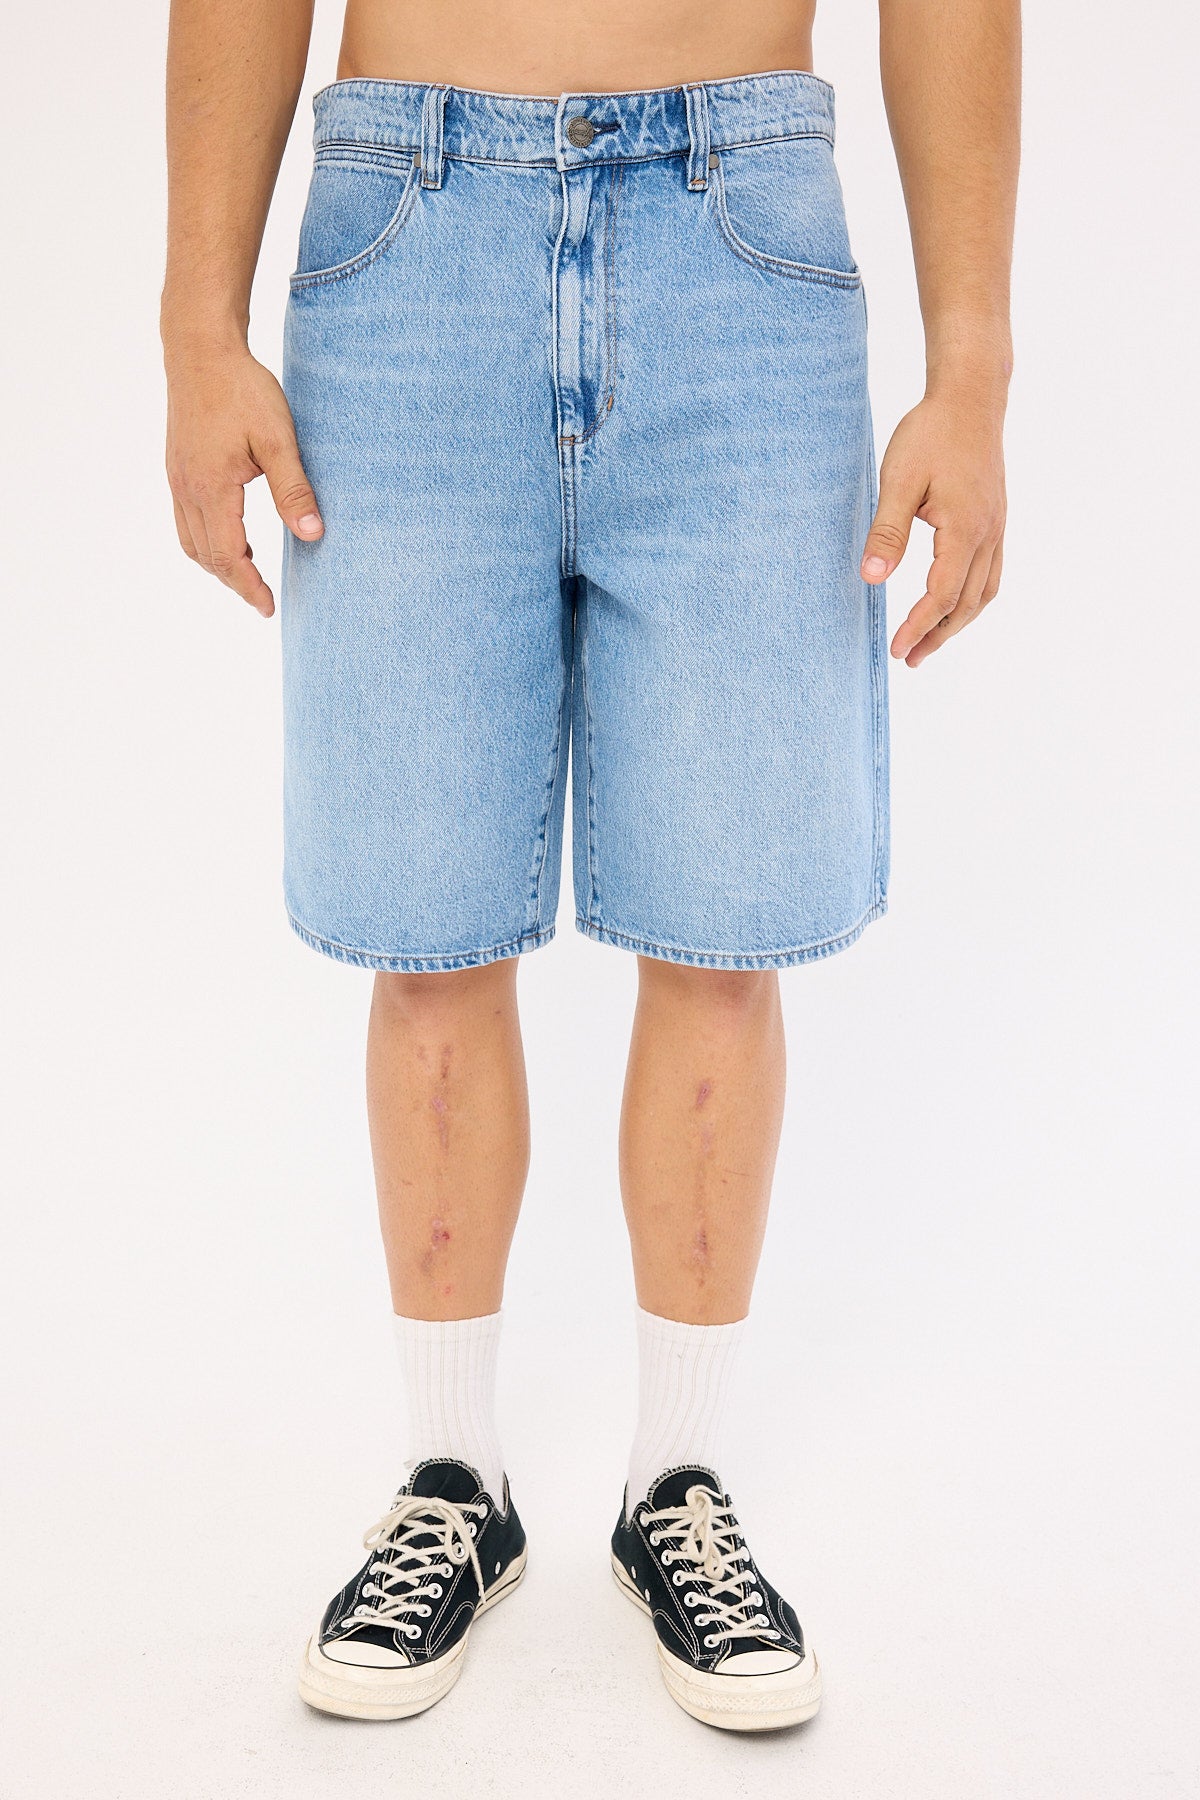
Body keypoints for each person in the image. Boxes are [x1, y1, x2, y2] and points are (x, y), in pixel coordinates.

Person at [161, 0, 1017, 1734]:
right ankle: (451, 1483)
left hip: (741, 238)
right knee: (426, 925)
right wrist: (195, 325)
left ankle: (676, 1485)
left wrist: (976, 363)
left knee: (724, 923)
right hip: (409, 232)